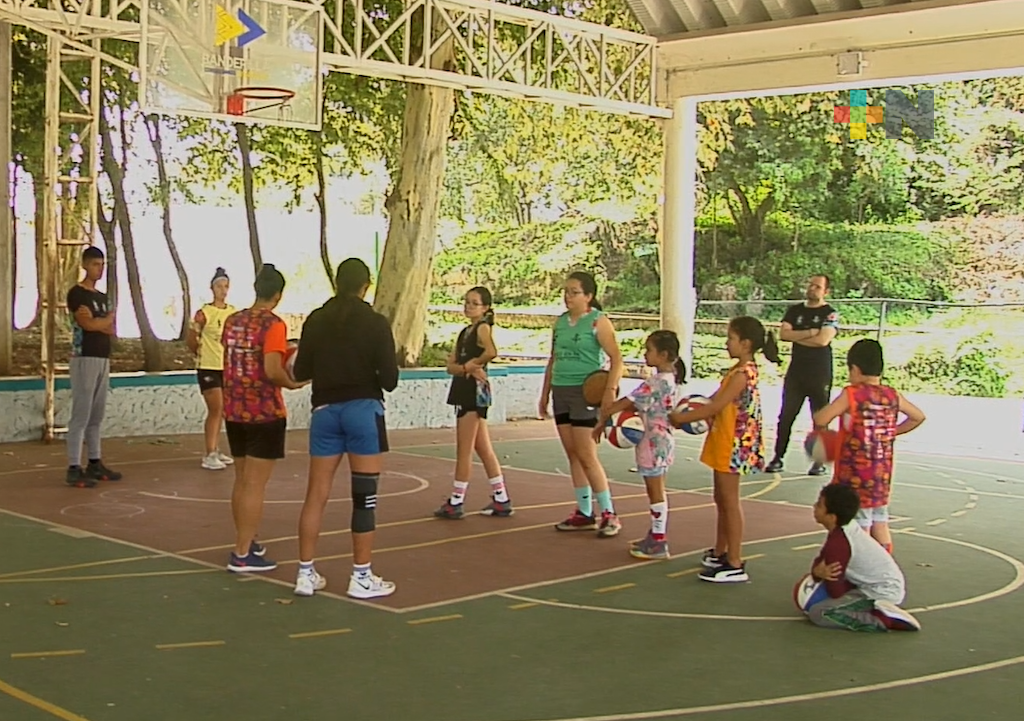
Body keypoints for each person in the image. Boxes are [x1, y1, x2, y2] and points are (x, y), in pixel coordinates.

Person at [292, 258, 400, 599]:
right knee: (364, 498)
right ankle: (361, 576)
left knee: (316, 494)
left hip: (324, 410)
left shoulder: (316, 319)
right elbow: (391, 380)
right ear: (365, 286)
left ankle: (305, 573)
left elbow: (300, 370)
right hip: (363, 411)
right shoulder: (375, 323)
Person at [669, 316, 779, 583]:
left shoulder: (742, 374)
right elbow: (713, 402)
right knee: (721, 498)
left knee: (730, 501)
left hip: (736, 443)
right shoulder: (734, 371)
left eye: (730, 338)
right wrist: (694, 409)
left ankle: (735, 561)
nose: (726, 342)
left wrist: (681, 418)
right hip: (725, 440)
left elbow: (716, 407)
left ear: (746, 343)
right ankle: (721, 550)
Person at [221, 264, 306, 573]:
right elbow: (271, 369)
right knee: (255, 484)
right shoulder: (274, 325)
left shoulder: (233, 320)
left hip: (234, 408)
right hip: (264, 411)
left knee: (242, 480)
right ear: (278, 294)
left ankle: (246, 538)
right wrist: (294, 382)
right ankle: (242, 553)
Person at [812, 339, 926, 554]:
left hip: (854, 472)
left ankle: (862, 568)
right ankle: (884, 563)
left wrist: (827, 432)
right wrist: (891, 432)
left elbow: (821, 418)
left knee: (859, 524)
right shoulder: (892, 395)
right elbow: (918, 417)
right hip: (882, 472)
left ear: (854, 368)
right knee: (880, 519)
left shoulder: (852, 394)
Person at [539, 271, 624, 537]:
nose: (568, 296)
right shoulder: (561, 323)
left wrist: (609, 390)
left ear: (588, 296)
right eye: (566, 291)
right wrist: (545, 393)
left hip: (585, 392)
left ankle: (609, 513)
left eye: (574, 292)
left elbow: (616, 359)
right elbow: (553, 359)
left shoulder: (599, 322)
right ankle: (585, 512)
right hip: (561, 391)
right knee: (573, 453)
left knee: (586, 454)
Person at [595, 330, 685, 559]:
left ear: (663, 354)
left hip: (652, 443)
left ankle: (658, 540)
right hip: (662, 441)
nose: (645, 354)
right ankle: (655, 534)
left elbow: (627, 403)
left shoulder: (656, 382)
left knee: (654, 491)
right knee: (658, 490)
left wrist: (605, 414)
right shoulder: (672, 378)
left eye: (649, 350)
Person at [434, 286, 514, 519]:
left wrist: (473, 365)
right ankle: (501, 497)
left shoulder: (483, 329)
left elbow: (491, 352)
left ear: (485, 307)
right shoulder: (464, 332)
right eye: (467, 302)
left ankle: (457, 500)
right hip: (464, 387)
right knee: (482, 447)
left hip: (473, 391)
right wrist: (463, 368)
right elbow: (450, 365)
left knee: (465, 449)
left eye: (474, 303)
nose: (468, 306)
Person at [802, 483, 921, 631]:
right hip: (884, 585)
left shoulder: (839, 543)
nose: (814, 507)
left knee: (819, 612)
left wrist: (819, 575)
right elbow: (821, 562)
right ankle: (879, 609)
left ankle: (884, 620)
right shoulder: (845, 529)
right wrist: (817, 572)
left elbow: (835, 591)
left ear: (832, 517)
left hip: (880, 592)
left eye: (819, 505)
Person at [766, 275, 839, 476]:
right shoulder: (795, 311)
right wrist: (810, 333)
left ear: (826, 291)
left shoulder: (830, 313)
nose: (812, 289)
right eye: (811, 285)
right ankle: (778, 457)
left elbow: (823, 340)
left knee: (820, 418)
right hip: (796, 371)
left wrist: (801, 336)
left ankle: (819, 461)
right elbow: (784, 334)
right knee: (786, 415)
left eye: (818, 287)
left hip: (819, 372)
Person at [65, 246, 121, 488]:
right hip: (84, 356)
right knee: (81, 413)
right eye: (96, 264)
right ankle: (73, 466)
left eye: (102, 265)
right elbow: (86, 323)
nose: (99, 269)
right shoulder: (77, 294)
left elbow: (110, 327)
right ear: (86, 265)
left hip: (102, 356)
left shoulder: (101, 297)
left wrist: (102, 322)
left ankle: (94, 461)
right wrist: (102, 322)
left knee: (96, 414)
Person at [186, 267, 237, 470]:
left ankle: (216, 448)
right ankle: (209, 453)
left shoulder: (233, 312)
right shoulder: (203, 313)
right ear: (212, 288)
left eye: (225, 286)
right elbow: (191, 338)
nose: (222, 290)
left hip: (227, 367)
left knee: (225, 409)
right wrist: (198, 351)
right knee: (216, 408)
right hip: (208, 366)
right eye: (219, 286)